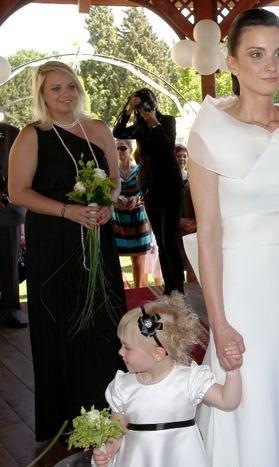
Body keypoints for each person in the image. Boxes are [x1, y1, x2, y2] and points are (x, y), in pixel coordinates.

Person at [186, 9, 279, 467]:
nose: (271, 65)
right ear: (231, 63)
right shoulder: (209, 129)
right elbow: (208, 233)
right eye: (256, 54)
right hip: (239, 285)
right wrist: (218, 321)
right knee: (245, 386)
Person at [7, 61, 125, 441]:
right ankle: (65, 417)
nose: (65, 94)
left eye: (70, 86)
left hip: (96, 235)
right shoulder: (32, 135)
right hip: (53, 240)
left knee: (103, 320)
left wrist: (108, 203)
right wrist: (66, 210)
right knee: (60, 320)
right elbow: (17, 192)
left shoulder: (99, 129)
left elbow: (114, 180)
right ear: (42, 95)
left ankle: (108, 408)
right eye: (55, 88)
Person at [92, 297, 242, 467]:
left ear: (157, 354)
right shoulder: (122, 386)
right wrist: (110, 448)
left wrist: (232, 371)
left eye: (127, 347)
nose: (120, 352)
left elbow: (227, 401)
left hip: (181, 459)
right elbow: (117, 426)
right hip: (137, 459)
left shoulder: (188, 380)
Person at [114, 88, 184, 295]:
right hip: (150, 188)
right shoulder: (139, 128)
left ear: (154, 102)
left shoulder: (167, 121)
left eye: (146, 103)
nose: (143, 108)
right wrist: (128, 109)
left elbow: (167, 146)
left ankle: (178, 288)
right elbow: (118, 132)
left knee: (170, 238)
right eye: (140, 105)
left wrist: (153, 121)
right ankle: (169, 288)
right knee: (161, 241)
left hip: (170, 187)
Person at [112, 138, 151, 288]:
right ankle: (121, 293)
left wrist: (137, 198)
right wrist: (117, 199)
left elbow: (146, 190)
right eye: (116, 148)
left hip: (137, 219)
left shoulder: (140, 171)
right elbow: (108, 192)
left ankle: (138, 292)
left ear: (130, 150)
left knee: (138, 262)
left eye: (123, 148)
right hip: (118, 220)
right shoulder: (112, 173)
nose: (119, 151)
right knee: (116, 261)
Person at [0, 122, 28, 328]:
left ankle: (10, 310)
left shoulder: (12, 132)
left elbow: (25, 169)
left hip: (8, 210)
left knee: (10, 262)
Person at [175, 143, 197, 283]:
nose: (182, 159)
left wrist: (196, 222)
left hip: (192, 229)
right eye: (178, 156)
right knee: (176, 268)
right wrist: (178, 221)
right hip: (175, 229)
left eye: (184, 156)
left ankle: (193, 295)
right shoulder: (166, 181)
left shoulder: (194, 178)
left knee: (192, 267)